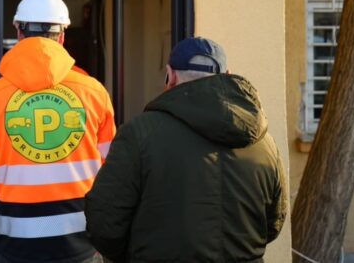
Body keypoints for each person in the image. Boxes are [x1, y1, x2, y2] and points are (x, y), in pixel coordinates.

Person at [85, 37, 288, 262]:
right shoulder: (264, 141)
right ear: (227, 74)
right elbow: (273, 223)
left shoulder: (139, 133)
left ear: (170, 75)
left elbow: (104, 223)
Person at [0, 0, 116, 263]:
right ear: (62, 36)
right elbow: (110, 168)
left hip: (18, 241)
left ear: (19, 32)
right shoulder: (93, 91)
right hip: (80, 241)